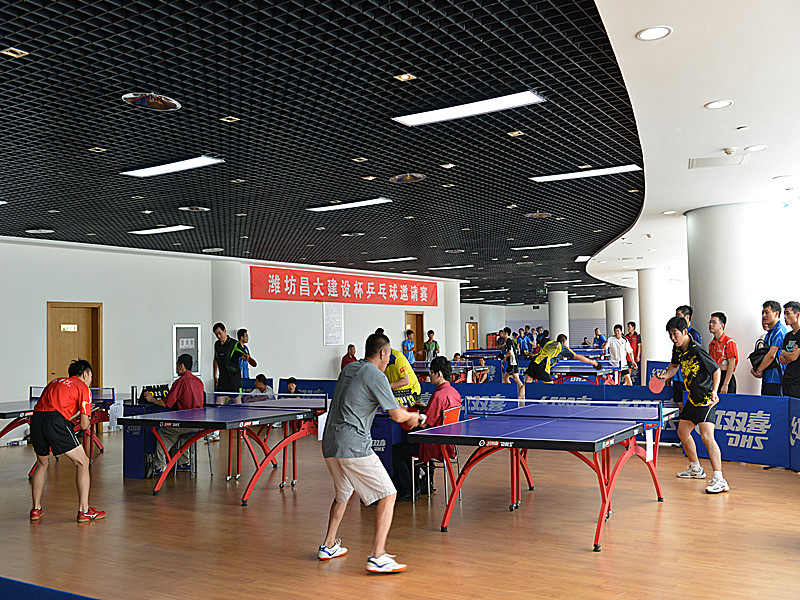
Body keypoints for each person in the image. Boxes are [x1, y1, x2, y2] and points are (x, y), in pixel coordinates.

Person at [318, 333, 421, 573]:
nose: (389, 361)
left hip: (330, 443)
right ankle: (378, 556)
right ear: (383, 353)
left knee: (343, 493)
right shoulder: (376, 374)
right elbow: (396, 415)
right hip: (353, 445)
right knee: (388, 494)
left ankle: (328, 545)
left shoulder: (350, 368)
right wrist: (413, 417)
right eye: (389, 355)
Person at [657, 316, 728, 494]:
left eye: (675, 334)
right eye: (670, 334)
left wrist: (715, 391)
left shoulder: (697, 350)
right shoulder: (678, 349)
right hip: (692, 398)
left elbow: (716, 370)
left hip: (706, 399)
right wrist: (665, 376)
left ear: (685, 332)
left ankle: (720, 479)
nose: (673, 338)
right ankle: (696, 468)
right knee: (682, 431)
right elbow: (674, 366)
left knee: (707, 436)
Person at [29, 359, 105, 523]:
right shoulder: (83, 388)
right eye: (91, 377)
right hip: (55, 422)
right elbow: (84, 425)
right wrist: (87, 414)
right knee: (83, 463)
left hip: (36, 420)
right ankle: (84, 511)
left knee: (42, 464)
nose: (90, 381)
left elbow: (53, 408)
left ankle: (36, 509)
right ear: (85, 374)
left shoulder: (54, 382)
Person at [391, 357, 462, 500]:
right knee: (410, 445)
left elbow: (424, 424)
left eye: (431, 372)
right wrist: (425, 408)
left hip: (432, 445)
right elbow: (439, 415)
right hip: (448, 444)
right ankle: (426, 485)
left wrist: (405, 413)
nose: (430, 375)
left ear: (439, 374)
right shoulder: (454, 393)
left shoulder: (438, 396)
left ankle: (409, 490)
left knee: (396, 451)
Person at [144, 354, 205, 474]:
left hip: (186, 423)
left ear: (181, 366)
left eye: (177, 366)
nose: (177, 369)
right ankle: (183, 463)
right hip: (200, 424)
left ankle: (160, 466)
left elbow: (166, 403)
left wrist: (151, 399)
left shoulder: (180, 382)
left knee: (163, 433)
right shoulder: (199, 382)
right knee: (183, 436)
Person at [525, 334, 599, 383]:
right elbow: (577, 356)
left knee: (526, 385)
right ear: (563, 342)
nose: (566, 344)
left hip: (533, 361)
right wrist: (591, 362)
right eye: (566, 342)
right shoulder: (562, 347)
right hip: (542, 365)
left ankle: (519, 399)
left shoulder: (550, 343)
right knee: (551, 387)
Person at [670, 306, 702, 408]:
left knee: (691, 408)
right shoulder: (676, 339)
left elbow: (714, 369)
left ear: (687, 317)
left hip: (690, 380)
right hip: (678, 378)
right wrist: (667, 376)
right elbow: (674, 362)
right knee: (681, 407)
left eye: (679, 315)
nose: (673, 337)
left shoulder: (694, 337)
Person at [753, 300, 787, 396]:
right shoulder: (769, 333)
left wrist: (758, 370)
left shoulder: (779, 331)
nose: (764, 315)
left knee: (774, 405)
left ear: (776, 314)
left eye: (767, 312)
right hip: (767, 378)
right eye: (763, 312)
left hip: (777, 379)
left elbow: (771, 355)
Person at [213, 322, 249, 393]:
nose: (218, 336)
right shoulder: (217, 344)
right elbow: (215, 360)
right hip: (222, 380)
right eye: (216, 334)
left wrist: (245, 357)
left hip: (234, 381)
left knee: (236, 400)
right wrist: (214, 376)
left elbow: (243, 355)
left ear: (224, 331)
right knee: (219, 400)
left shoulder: (234, 344)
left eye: (220, 333)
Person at [708, 312, 739, 393]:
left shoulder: (729, 342)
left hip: (726, 377)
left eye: (714, 322)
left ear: (722, 325)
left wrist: (725, 384)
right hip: (715, 377)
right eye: (710, 322)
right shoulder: (711, 344)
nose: (711, 324)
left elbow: (731, 364)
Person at [779, 301, 800, 399]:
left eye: (788, 314)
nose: (785, 317)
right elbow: (782, 360)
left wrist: (786, 353)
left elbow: (793, 357)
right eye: (784, 314)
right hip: (788, 379)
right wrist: (787, 353)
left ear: (797, 315)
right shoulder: (788, 336)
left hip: (798, 381)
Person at [499, 327, 524, 399]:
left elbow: (510, 352)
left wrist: (505, 357)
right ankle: (513, 390)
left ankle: (522, 392)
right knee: (506, 378)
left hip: (513, 363)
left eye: (503, 333)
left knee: (516, 379)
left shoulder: (509, 341)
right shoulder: (509, 341)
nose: (502, 334)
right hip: (511, 363)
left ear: (506, 333)